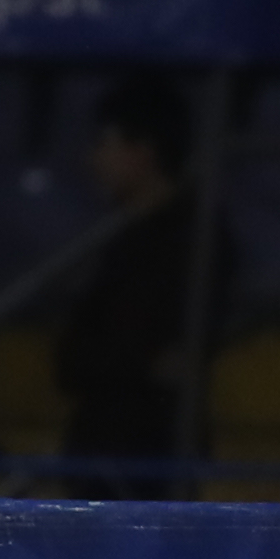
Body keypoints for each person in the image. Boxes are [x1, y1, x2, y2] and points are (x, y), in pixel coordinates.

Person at [52, 74, 204, 477]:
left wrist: (116, 361)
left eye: (105, 144)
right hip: (98, 446)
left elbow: (138, 347)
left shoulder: (197, 240)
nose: (94, 160)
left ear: (144, 151)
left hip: (150, 452)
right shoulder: (121, 239)